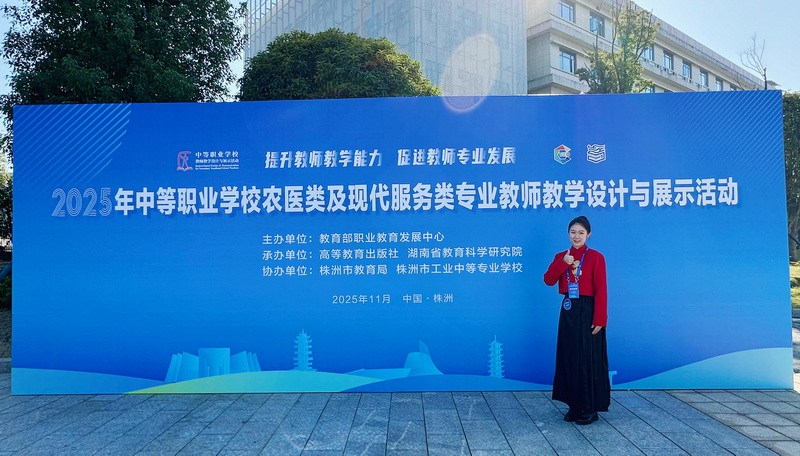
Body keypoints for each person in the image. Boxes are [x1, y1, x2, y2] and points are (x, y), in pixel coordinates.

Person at [543, 215, 610, 425]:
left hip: (589, 309)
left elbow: (601, 289)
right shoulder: (561, 256)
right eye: (573, 232)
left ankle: (589, 407)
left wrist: (600, 318)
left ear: (589, 234)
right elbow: (548, 280)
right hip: (569, 308)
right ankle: (573, 404)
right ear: (568, 234)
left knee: (587, 358)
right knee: (569, 356)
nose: (577, 236)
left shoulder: (596, 257)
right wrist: (562, 264)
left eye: (581, 232)